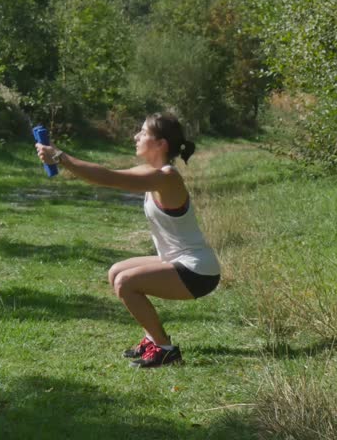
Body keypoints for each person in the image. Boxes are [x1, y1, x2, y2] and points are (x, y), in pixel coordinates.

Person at [35, 112, 221, 368]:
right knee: (116, 272)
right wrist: (61, 158)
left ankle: (165, 350)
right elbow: (105, 174)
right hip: (180, 262)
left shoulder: (166, 178)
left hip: (198, 272)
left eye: (143, 132)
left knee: (126, 283)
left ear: (160, 144)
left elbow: (109, 179)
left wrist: (60, 157)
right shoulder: (153, 172)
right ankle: (152, 339)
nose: (136, 136)